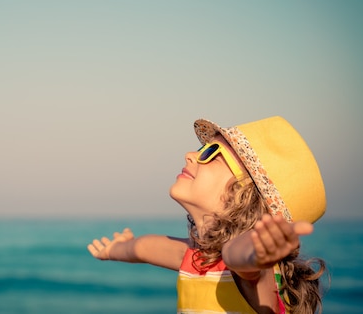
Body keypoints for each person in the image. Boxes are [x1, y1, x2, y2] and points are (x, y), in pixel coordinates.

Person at [88, 116, 327, 314]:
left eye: (211, 151)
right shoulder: (196, 258)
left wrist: (259, 250)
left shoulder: (252, 273)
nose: (190, 155)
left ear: (245, 194)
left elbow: (239, 256)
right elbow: (143, 248)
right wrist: (114, 249)